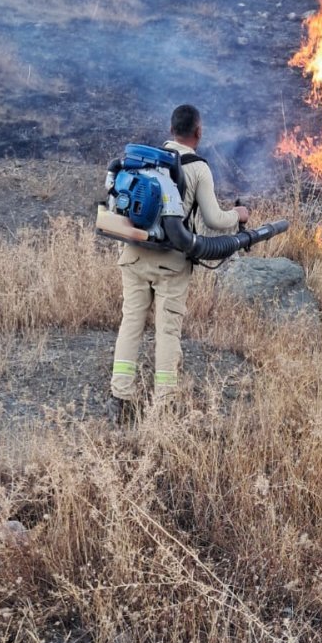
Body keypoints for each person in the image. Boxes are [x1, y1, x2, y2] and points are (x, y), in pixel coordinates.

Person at [107, 104, 249, 422]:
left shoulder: (146, 159)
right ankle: (166, 402)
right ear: (198, 132)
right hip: (171, 262)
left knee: (130, 323)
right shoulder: (198, 168)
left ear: (171, 130)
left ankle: (120, 397)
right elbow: (214, 219)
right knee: (167, 330)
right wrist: (238, 216)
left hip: (133, 254)